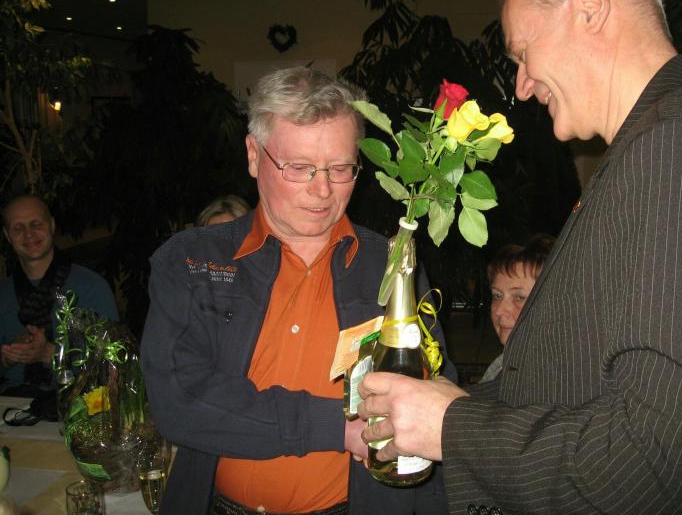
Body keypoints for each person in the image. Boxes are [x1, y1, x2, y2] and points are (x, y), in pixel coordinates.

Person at [358, 0, 682, 514]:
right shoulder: (669, 137)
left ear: (589, 7)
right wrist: (458, 402)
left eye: (522, 53)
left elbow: (657, 467)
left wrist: (453, 426)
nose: (521, 85)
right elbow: (591, 368)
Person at [140, 67, 456, 515]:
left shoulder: (393, 265)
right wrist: (337, 428)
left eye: (340, 168)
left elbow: (435, 392)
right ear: (254, 156)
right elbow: (178, 402)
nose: (322, 190)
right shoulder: (192, 262)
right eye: (300, 167)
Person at [0, 195, 118, 396]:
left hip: (78, 404)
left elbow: (112, 367)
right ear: (7, 235)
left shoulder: (92, 287)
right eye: (18, 228)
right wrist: (7, 358)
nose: (28, 234)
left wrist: (50, 354)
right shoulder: (4, 294)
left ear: (52, 226)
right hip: (11, 404)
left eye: (36, 224)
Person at [480, 234, 554, 382]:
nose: (499, 311)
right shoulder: (506, 362)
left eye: (519, 297)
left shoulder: (555, 376)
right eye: (497, 295)